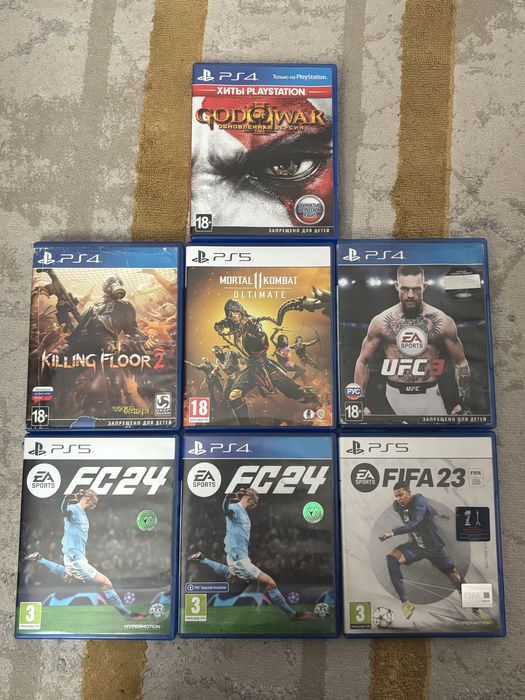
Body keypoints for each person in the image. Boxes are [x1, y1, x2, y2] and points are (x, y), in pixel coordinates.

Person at [354, 265, 471, 416]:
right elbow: (363, 361)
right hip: (393, 397)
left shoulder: (443, 321)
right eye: (404, 289)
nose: (410, 295)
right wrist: (359, 402)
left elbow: (460, 363)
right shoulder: (381, 321)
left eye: (416, 289)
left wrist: (464, 402)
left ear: (424, 287)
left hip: (431, 395)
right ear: (396, 286)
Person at [187, 488, 310, 621]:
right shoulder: (235, 508)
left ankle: (203, 559)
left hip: (236, 557)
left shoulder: (244, 513)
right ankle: (292, 615)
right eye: (255, 502)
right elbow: (225, 510)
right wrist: (227, 498)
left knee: (231, 576)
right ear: (249, 498)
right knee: (270, 583)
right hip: (239, 559)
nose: (255, 505)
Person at [24, 489, 146, 620]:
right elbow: (64, 511)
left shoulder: (82, 513)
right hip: (76, 560)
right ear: (88, 499)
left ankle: (40, 559)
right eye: (95, 502)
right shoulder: (74, 509)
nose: (95, 505)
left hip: (76, 558)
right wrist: (66, 499)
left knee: (67, 576)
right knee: (106, 583)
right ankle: (127, 615)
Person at [378, 481, 490, 622]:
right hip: (416, 546)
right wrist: (438, 514)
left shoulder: (418, 499)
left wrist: (391, 533)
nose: (398, 498)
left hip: (434, 547)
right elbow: (428, 510)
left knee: (454, 575)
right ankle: (406, 603)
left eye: (401, 494)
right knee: (391, 558)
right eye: (396, 496)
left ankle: (476, 609)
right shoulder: (398, 507)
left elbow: (416, 521)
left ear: (409, 492)